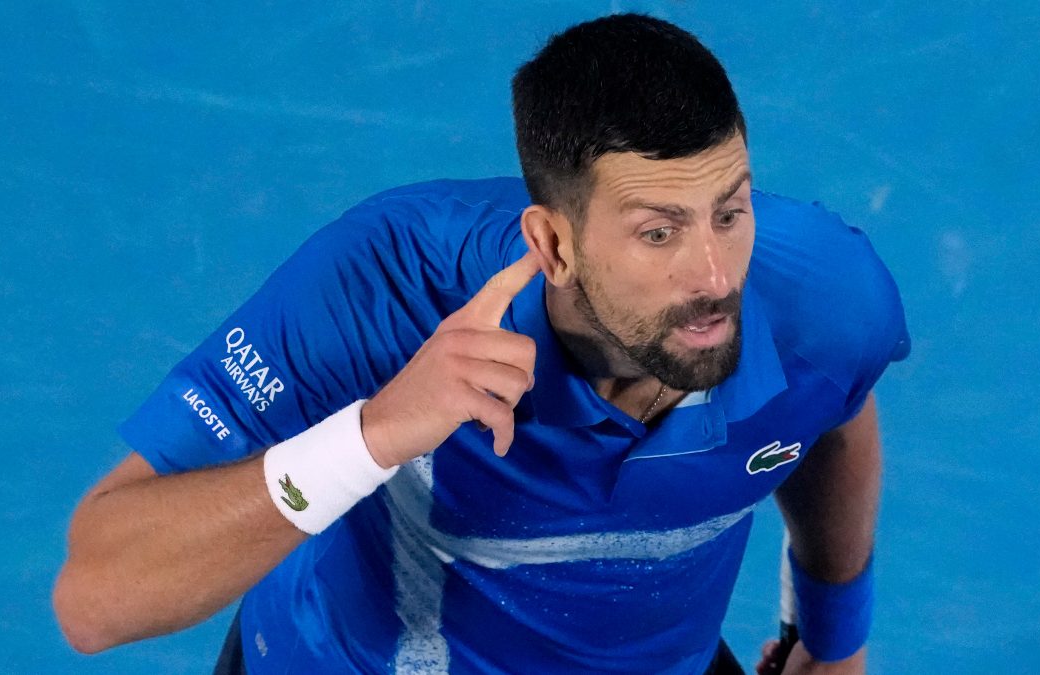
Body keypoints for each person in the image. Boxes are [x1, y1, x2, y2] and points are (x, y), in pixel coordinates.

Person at [53, 13, 909, 675]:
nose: (717, 274)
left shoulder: (822, 296)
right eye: (659, 233)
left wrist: (833, 636)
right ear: (555, 245)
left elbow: (832, 408)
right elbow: (94, 599)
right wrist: (373, 433)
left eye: (731, 210)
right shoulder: (386, 287)